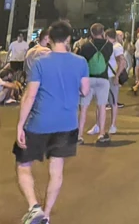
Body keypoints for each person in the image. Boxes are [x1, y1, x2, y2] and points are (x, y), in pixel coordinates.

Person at [13, 20, 90, 224]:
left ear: (49, 39)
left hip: (39, 122)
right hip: (67, 124)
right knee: (56, 170)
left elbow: (30, 95)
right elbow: (85, 90)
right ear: (68, 39)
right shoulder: (81, 62)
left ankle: (34, 207)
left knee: (23, 164)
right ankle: (46, 215)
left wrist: (20, 124)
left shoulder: (41, 62)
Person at [76, 23, 113, 144]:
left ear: (91, 33)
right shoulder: (109, 45)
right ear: (103, 32)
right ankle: (101, 134)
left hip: (88, 79)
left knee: (84, 108)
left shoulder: (85, 46)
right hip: (103, 79)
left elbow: (80, 62)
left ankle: (79, 136)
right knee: (102, 107)